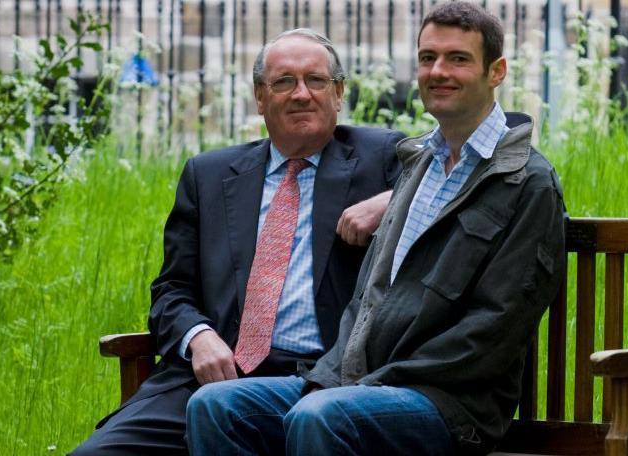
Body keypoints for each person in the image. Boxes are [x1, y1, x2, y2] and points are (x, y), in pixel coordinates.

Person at [185, 2, 567, 455]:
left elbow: (495, 329)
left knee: (320, 415)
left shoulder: (527, 183)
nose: (438, 71)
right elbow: (369, 297)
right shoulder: (419, 166)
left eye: (458, 59)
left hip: (451, 404)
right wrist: (339, 378)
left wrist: (373, 382)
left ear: (496, 71)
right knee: (215, 406)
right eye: (428, 58)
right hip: (362, 384)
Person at [72, 28, 404, 455]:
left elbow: (452, 177)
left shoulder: (383, 156)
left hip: (324, 380)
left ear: (338, 92)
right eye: (284, 82)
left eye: (316, 80)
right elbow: (171, 291)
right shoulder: (208, 176)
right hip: (212, 374)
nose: (301, 94)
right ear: (260, 97)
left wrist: (390, 201)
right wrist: (198, 336)